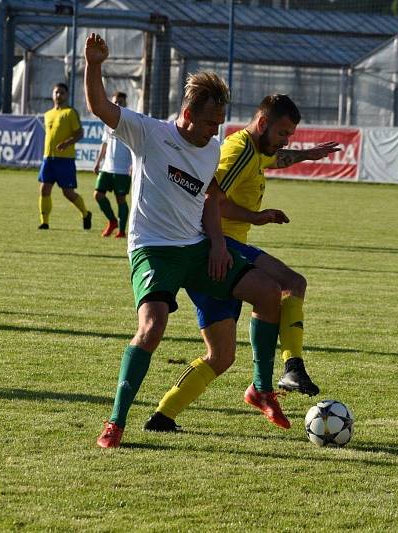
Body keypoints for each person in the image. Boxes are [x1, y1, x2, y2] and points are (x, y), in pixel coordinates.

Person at [85, 33, 287, 449]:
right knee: (152, 327)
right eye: (212, 122)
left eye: (219, 122)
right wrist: (94, 64)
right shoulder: (149, 133)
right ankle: (116, 422)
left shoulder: (210, 148)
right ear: (187, 113)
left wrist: (216, 242)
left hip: (196, 249)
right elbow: (100, 107)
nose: (216, 131)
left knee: (270, 293)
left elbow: (211, 196)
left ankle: (263, 388)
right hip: (153, 249)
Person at [144, 95, 341, 432]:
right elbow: (211, 202)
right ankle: (286, 370)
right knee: (291, 283)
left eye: (290, 135)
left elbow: (272, 160)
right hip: (217, 246)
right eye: (282, 133)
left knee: (221, 356)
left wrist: (306, 155)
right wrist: (256, 217)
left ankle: (163, 416)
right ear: (262, 124)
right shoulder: (238, 151)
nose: (286, 141)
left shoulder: (254, 151)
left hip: (222, 250)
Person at [37, 82, 92, 230]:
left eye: (61, 92)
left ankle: (86, 213)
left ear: (66, 95)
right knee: (44, 189)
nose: (58, 95)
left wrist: (67, 143)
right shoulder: (48, 114)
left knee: (68, 193)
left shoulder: (70, 113)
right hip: (48, 158)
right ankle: (45, 222)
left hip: (65, 160)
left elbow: (80, 133)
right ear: (52, 95)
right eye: (56, 92)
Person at [92, 91, 131, 238]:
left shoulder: (129, 122)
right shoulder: (108, 121)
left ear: (126, 103)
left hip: (122, 169)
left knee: (120, 199)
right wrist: (98, 162)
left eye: (121, 102)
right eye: (115, 102)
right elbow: (105, 143)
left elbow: (135, 145)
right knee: (98, 195)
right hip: (107, 167)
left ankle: (121, 230)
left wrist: (133, 164)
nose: (118, 104)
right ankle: (112, 221)